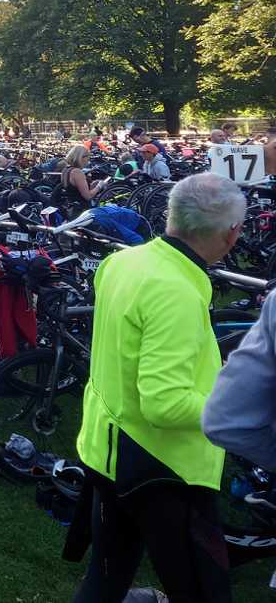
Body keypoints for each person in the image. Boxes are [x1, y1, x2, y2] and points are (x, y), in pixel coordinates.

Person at [72, 173, 242, 603]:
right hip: (162, 468)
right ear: (231, 235)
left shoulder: (123, 261)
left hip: (106, 449)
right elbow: (164, 405)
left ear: (168, 216)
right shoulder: (177, 290)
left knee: (106, 580)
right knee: (205, 593)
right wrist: (240, 409)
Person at [58, 145, 102, 218]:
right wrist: (99, 186)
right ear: (81, 158)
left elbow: (75, 189)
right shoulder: (77, 172)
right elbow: (88, 196)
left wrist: (91, 186)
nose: (87, 163)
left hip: (72, 209)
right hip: (81, 211)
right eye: (86, 160)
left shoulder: (66, 170)